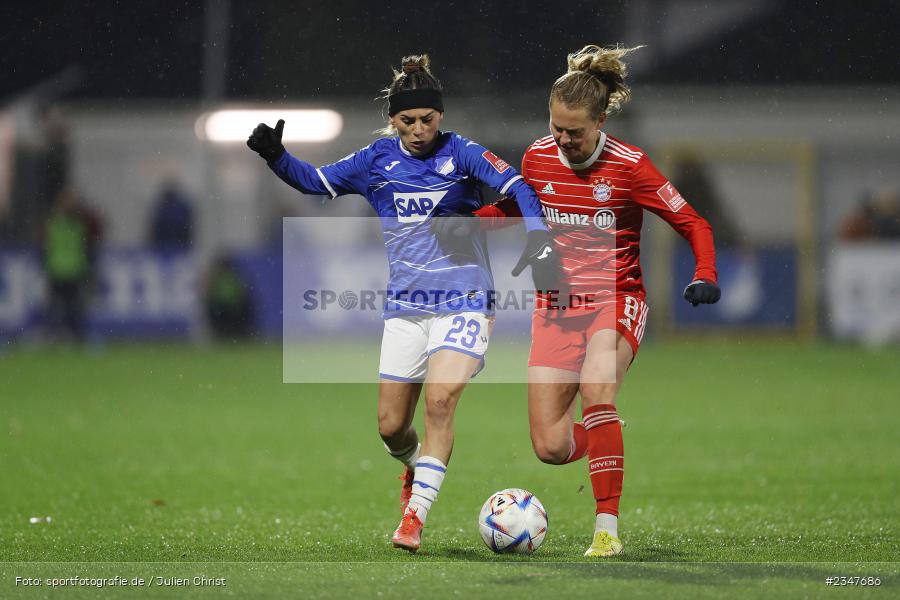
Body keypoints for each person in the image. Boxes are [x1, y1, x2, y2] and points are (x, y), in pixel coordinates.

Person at [246, 54, 556, 553]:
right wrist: (276, 157)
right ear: (393, 120)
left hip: (465, 299)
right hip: (407, 308)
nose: (418, 130)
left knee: (439, 402)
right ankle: (416, 470)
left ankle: (414, 519)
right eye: (407, 121)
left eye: (427, 120)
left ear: (441, 116)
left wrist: (538, 239)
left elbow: (520, 187)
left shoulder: (462, 153)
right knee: (392, 427)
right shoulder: (375, 161)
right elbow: (316, 181)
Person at [433, 45, 721, 557]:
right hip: (557, 309)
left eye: (575, 131)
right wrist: (473, 222)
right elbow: (515, 207)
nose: (563, 140)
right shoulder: (538, 157)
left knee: (596, 388)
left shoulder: (631, 167)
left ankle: (606, 530)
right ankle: (607, 434)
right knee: (550, 445)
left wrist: (705, 273)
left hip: (615, 298)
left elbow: (693, 222)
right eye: (556, 127)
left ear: (601, 120)